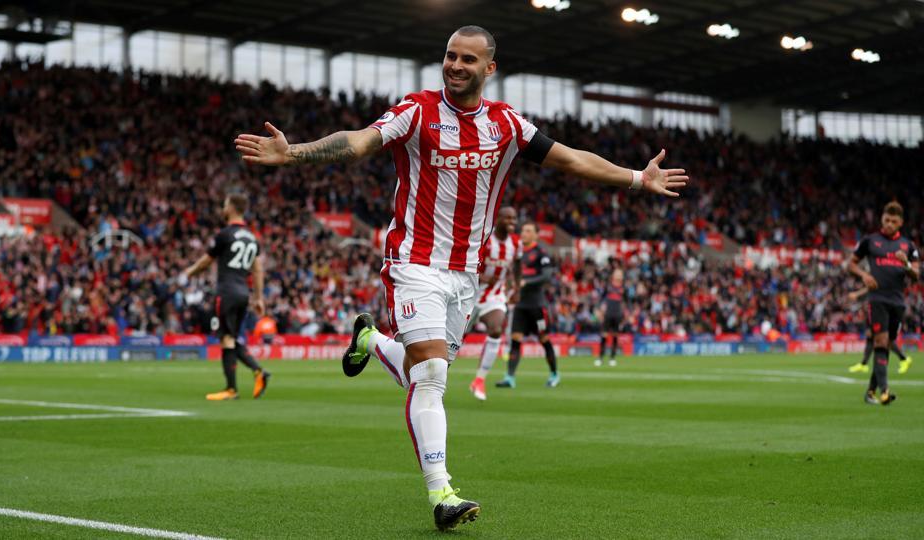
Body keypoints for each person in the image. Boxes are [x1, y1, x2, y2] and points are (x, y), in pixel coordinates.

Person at [234, 25, 687, 530]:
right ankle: (441, 493)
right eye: (450, 55)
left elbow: (570, 158)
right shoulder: (417, 110)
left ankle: (370, 339)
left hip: (466, 274)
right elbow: (359, 143)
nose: (455, 65)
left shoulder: (507, 124)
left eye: (468, 59)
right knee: (431, 373)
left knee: (423, 372)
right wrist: (293, 152)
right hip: (413, 262)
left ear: (489, 68)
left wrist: (636, 178)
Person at [180, 194, 271, 401]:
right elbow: (258, 270)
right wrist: (258, 298)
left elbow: (206, 261)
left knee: (226, 339)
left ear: (231, 208)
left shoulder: (225, 234)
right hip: (243, 293)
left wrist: (189, 272)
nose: (223, 208)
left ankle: (233, 388)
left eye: (224, 205)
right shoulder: (251, 237)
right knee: (231, 338)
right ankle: (257, 372)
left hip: (227, 292)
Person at [848, 201, 919, 405]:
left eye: (893, 221)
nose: (889, 224)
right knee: (880, 341)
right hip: (877, 299)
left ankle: (870, 392)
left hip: (898, 302)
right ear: (881, 219)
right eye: (886, 220)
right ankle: (885, 391)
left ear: (900, 223)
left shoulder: (908, 246)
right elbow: (851, 264)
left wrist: (906, 264)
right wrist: (864, 275)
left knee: (886, 345)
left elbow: (916, 275)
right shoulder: (870, 241)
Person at [495, 221, 558, 388]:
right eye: (523, 230)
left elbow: (546, 276)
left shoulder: (541, 253)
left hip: (538, 306)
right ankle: (509, 377)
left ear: (536, 234)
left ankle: (554, 374)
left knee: (544, 339)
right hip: (521, 305)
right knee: (515, 339)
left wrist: (526, 282)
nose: (524, 233)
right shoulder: (517, 252)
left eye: (529, 231)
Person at [467, 206, 519, 401]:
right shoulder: (485, 239)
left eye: (514, 218)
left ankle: (479, 380)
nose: (512, 222)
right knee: (453, 340)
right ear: (498, 219)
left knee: (496, 330)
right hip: (468, 294)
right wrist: (481, 277)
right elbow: (466, 260)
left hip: (494, 296)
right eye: (507, 218)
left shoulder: (515, 243)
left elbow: (518, 264)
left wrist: (516, 288)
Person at [846, 287, 912, 375]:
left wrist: (857, 294)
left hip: (888, 310)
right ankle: (864, 364)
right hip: (879, 309)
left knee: (886, 340)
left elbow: (872, 285)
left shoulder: (885, 287)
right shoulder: (876, 293)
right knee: (871, 337)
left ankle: (903, 359)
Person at [596, 267, 625, 367]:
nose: (619, 276)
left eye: (620, 274)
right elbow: (601, 299)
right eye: (617, 274)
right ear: (613, 275)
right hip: (607, 314)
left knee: (615, 336)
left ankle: (612, 358)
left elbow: (627, 302)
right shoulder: (608, 287)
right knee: (604, 336)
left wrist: (627, 314)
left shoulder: (623, 289)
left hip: (617, 315)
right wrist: (599, 310)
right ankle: (600, 358)